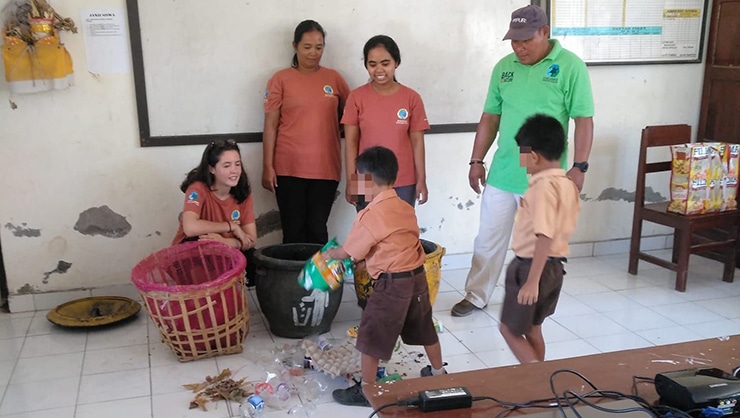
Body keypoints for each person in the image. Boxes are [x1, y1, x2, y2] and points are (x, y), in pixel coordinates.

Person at [451, 4, 594, 317]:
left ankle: (535, 300)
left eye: (526, 39)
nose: (519, 47)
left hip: (544, 177)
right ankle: (476, 295)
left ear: (545, 32)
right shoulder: (504, 67)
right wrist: (476, 160)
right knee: (487, 241)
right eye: (514, 40)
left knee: (539, 245)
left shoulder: (570, 67)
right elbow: (490, 117)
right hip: (503, 171)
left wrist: (580, 167)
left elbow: (584, 120)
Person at [323, 146, 446, 407]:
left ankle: (368, 391)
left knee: (371, 338)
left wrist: (328, 255)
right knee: (425, 327)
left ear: (366, 181)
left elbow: (348, 251)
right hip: (417, 279)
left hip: (392, 286)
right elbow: (397, 242)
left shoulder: (369, 216)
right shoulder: (404, 207)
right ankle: (438, 373)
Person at [499, 114, 580, 363]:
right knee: (533, 327)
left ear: (533, 155)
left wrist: (532, 281)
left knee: (509, 330)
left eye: (522, 155)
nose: (522, 161)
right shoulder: (567, 184)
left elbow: (544, 235)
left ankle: (537, 379)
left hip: (532, 267)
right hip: (555, 268)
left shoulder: (542, 187)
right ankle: (541, 381)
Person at [262, 20, 350, 244]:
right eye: (307, 47)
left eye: (319, 47)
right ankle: (292, 280)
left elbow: (351, 119)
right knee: (293, 233)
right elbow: (270, 125)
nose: (313, 53)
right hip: (288, 168)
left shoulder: (334, 79)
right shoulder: (280, 79)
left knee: (317, 230)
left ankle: (319, 280)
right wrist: (267, 166)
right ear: (295, 46)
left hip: (326, 169)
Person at [342, 35, 430, 210]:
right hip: (365, 179)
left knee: (399, 231)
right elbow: (351, 142)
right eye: (372, 64)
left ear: (396, 62)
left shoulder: (411, 98)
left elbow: (417, 141)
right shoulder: (356, 97)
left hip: (404, 178)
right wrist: (352, 182)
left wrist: (421, 180)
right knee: (369, 231)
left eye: (385, 63)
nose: (379, 70)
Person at [172, 139, 258, 285]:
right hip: (196, 249)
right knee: (201, 247)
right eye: (226, 165)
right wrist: (231, 226)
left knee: (257, 267)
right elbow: (190, 228)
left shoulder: (242, 192)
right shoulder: (197, 188)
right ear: (212, 169)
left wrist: (225, 242)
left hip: (226, 247)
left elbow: (250, 239)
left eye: (237, 164)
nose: (234, 170)